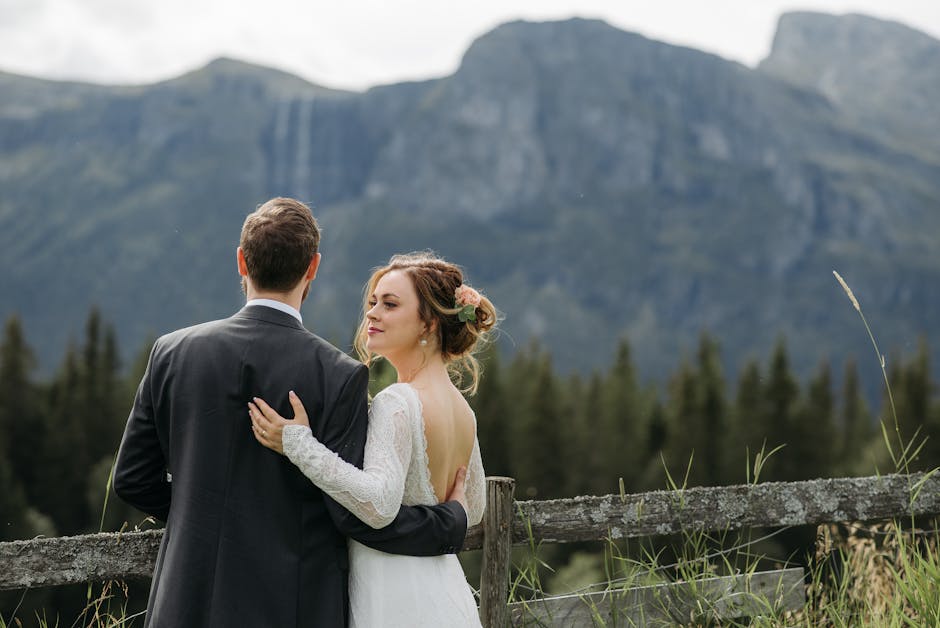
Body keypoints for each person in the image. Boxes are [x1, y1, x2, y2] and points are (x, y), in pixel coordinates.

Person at [112, 198, 469, 628]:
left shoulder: (171, 353)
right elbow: (354, 515)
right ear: (312, 267)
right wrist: (450, 521)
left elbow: (132, 480)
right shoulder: (338, 376)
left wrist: (203, 511)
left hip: (184, 601)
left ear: (241, 261)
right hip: (293, 605)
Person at [248, 251, 496, 627]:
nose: (372, 313)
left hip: (394, 594)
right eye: (372, 302)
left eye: (390, 304)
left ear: (428, 323)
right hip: (443, 588)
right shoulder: (464, 411)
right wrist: (447, 513)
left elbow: (378, 504)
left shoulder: (397, 401)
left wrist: (299, 445)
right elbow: (472, 508)